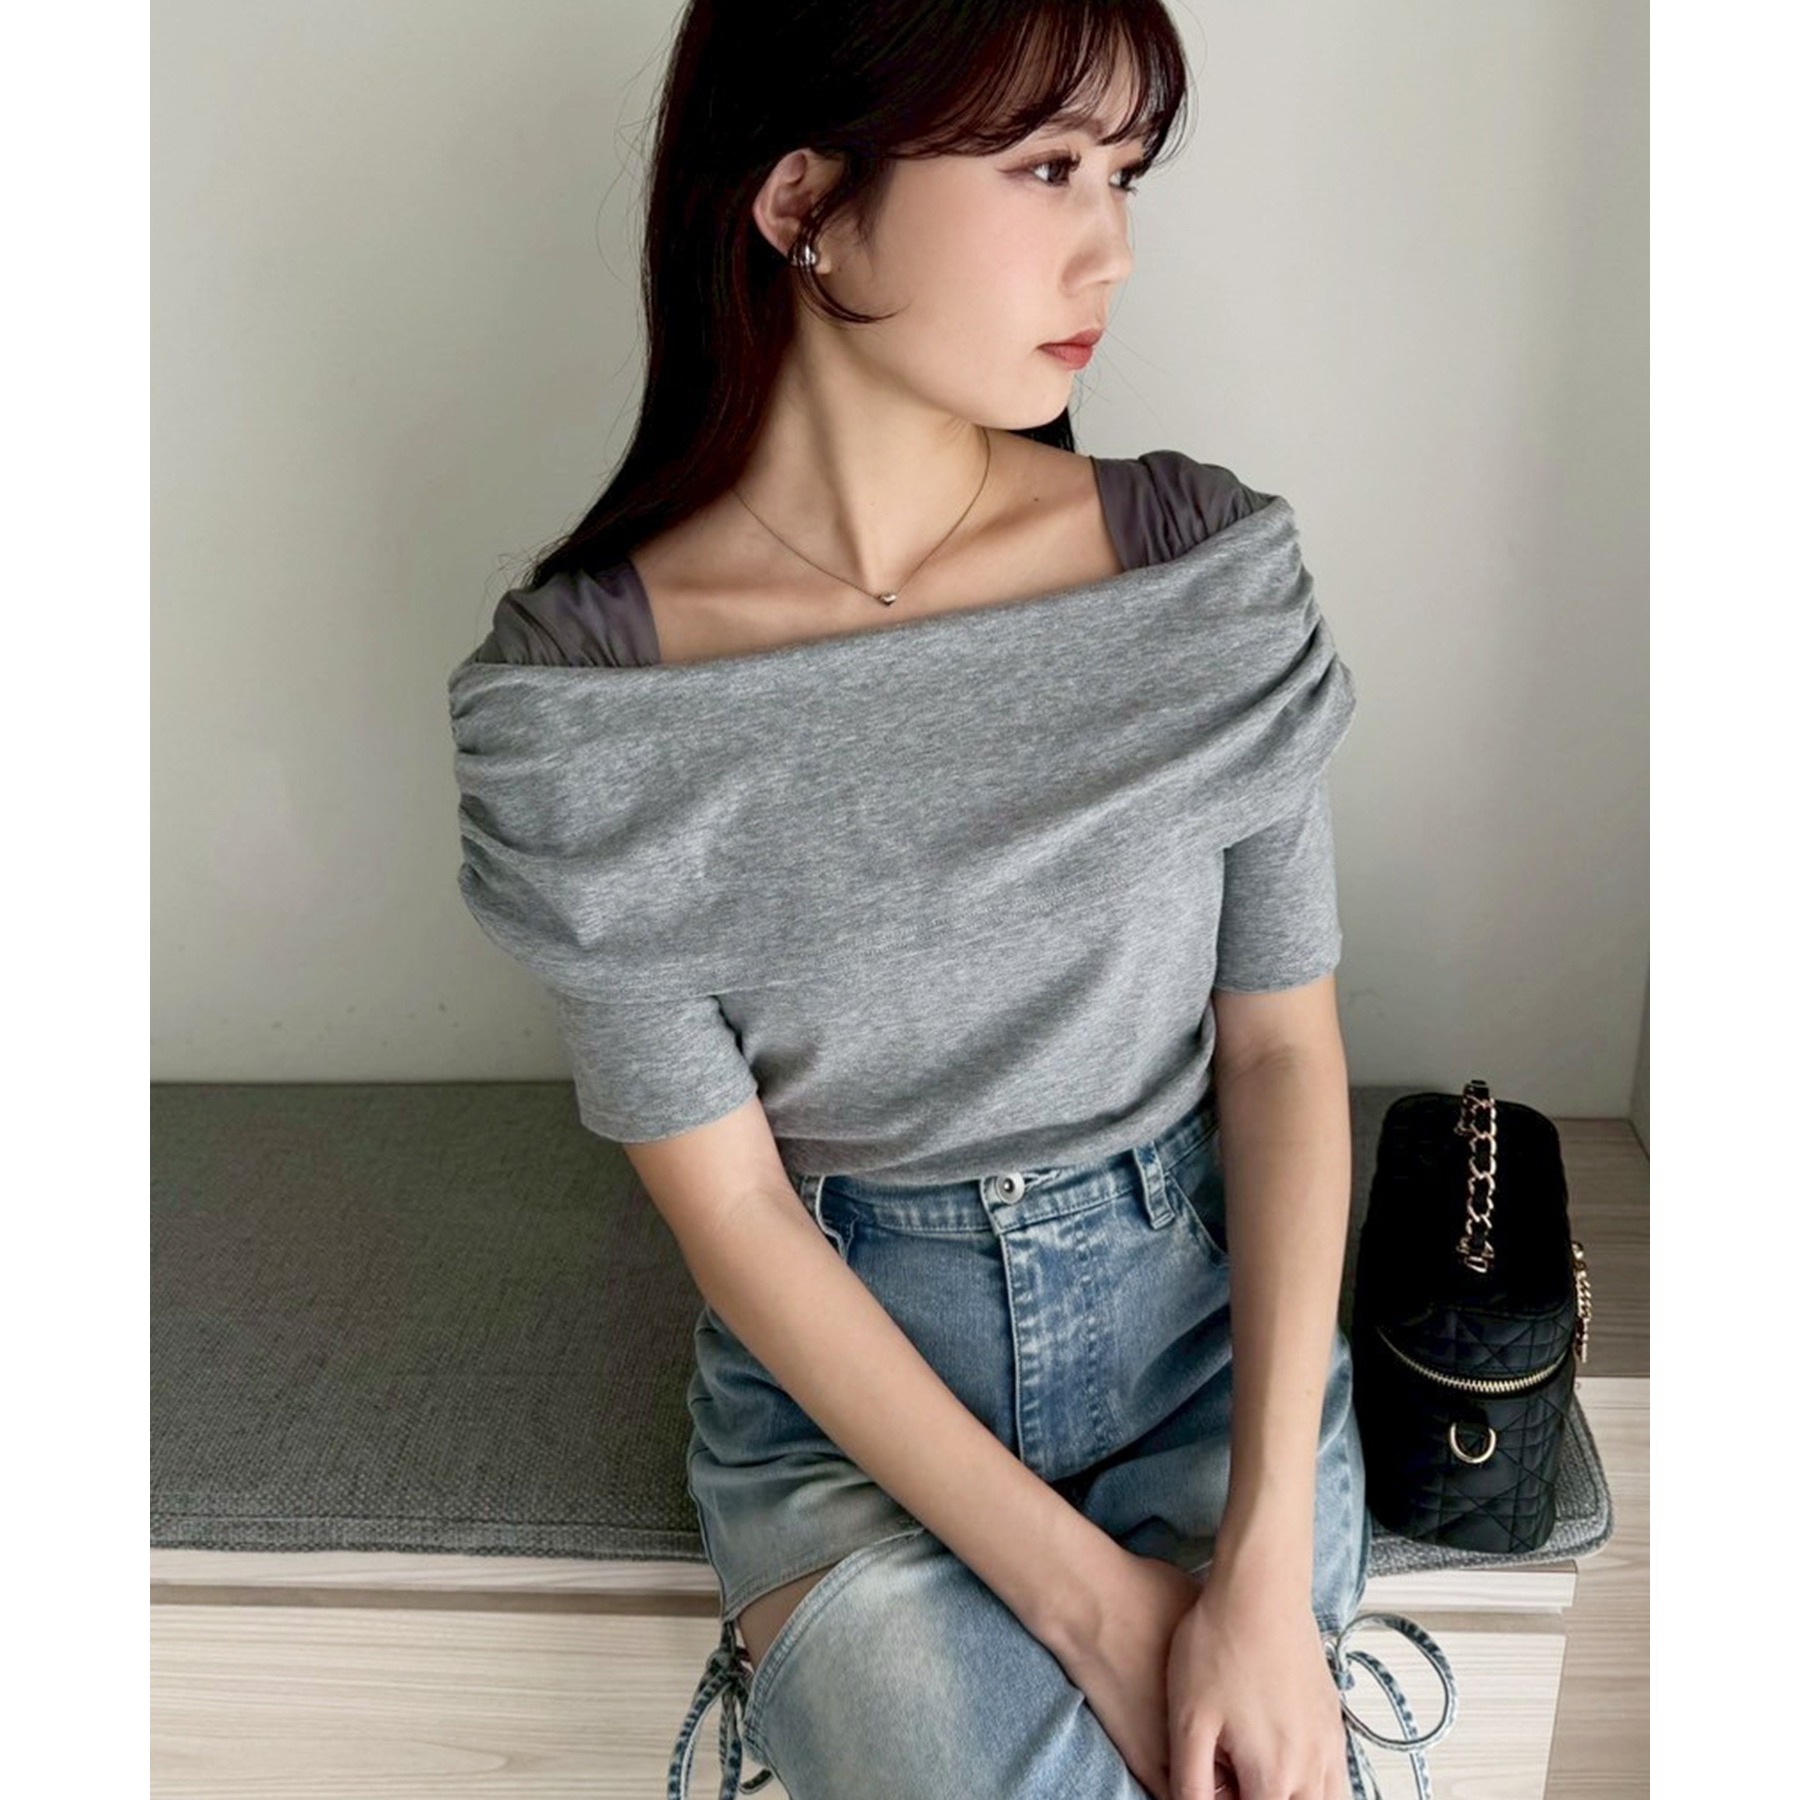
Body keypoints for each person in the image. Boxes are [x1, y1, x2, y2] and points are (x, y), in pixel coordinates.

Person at [448, 4, 1453, 1797]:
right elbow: (734, 1207)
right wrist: (1097, 1609)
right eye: (1048, 168)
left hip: (1204, 1349)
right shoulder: (583, 705)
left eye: (1124, 175)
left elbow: (1284, 1057)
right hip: (844, 1414)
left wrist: (1261, 1567)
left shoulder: (1203, 573)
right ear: (804, 203)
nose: (1111, 248)